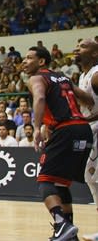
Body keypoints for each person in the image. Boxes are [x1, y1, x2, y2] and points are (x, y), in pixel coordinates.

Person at [23, 46, 94, 241]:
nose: (24, 62)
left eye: (29, 58)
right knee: (61, 184)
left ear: (42, 62)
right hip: (83, 130)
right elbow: (88, 99)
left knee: (44, 181)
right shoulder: (63, 78)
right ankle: (68, 232)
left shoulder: (37, 78)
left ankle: (61, 224)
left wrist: (37, 128)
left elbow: (40, 98)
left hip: (65, 130)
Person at [74, 38, 98, 240]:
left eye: (82, 46)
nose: (77, 48)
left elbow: (90, 104)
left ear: (95, 54)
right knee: (91, 178)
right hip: (90, 130)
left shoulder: (96, 76)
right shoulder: (83, 75)